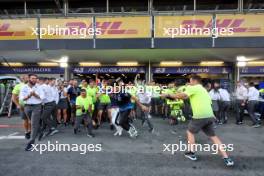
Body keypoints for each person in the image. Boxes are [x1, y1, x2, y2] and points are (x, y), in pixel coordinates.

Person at [161, 75, 234, 167]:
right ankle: (227, 158)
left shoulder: (194, 88)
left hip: (200, 116)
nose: (189, 82)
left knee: (190, 132)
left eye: (190, 81)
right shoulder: (203, 90)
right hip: (209, 116)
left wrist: (168, 95)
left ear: (194, 81)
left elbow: (182, 96)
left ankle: (191, 153)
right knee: (213, 137)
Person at [19, 74, 44, 151]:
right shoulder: (24, 87)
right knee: (33, 122)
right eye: (33, 78)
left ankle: (31, 142)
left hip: (37, 106)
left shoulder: (39, 87)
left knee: (33, 123)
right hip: (27, 106)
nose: (34, 80)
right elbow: (22, 98)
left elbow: (42, 97)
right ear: (29, 79)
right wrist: (29, 95)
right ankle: (40, 131)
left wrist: (35, 94)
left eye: (36, 78)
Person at [12, 75, 30, 139]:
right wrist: (18, 105)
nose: (26, 79)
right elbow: (13, 98)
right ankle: (27, 132)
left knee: (31, 120)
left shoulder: (33, 85)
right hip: (23, 106)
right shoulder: (18, 86)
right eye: (24, 78)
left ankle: (31, 131)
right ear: (22, 79)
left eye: (27, 78)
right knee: (26, 120)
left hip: (32, 105)